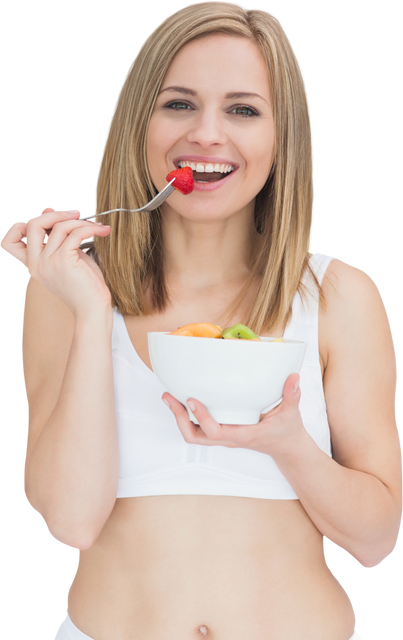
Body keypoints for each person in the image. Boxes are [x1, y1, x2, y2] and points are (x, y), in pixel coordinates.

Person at [1, 2, 400, 639]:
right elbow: (69, 522)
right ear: (140, 122)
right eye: (179, 104)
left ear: (282, 136)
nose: (207, 134)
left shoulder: (341, 296)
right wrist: (91, 309)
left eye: (243, 109)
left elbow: (377, 541)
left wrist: (288, 446)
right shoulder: (66, 292)